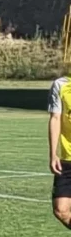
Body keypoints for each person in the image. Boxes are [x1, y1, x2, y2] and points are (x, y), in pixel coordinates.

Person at [49, 74, 71, 229]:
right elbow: (55, 119)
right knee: (61, 210)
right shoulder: (60, 85)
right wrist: (53, 154)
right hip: (67, 158)